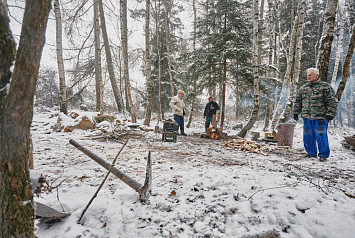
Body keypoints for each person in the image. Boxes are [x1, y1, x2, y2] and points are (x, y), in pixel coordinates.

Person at [293, 67, 338, 162]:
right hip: (307, 117)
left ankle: (323, 154)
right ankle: (311, 153)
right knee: (308, 136)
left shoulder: (325, 87)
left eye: (310, 75)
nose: (308, 77)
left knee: (321, 136)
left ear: (317, 75)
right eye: (307, 75)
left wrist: (330, 113)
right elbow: (298, 102)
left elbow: (332, 101)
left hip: (320, 117)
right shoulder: (303, 88)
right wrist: (296, 112)